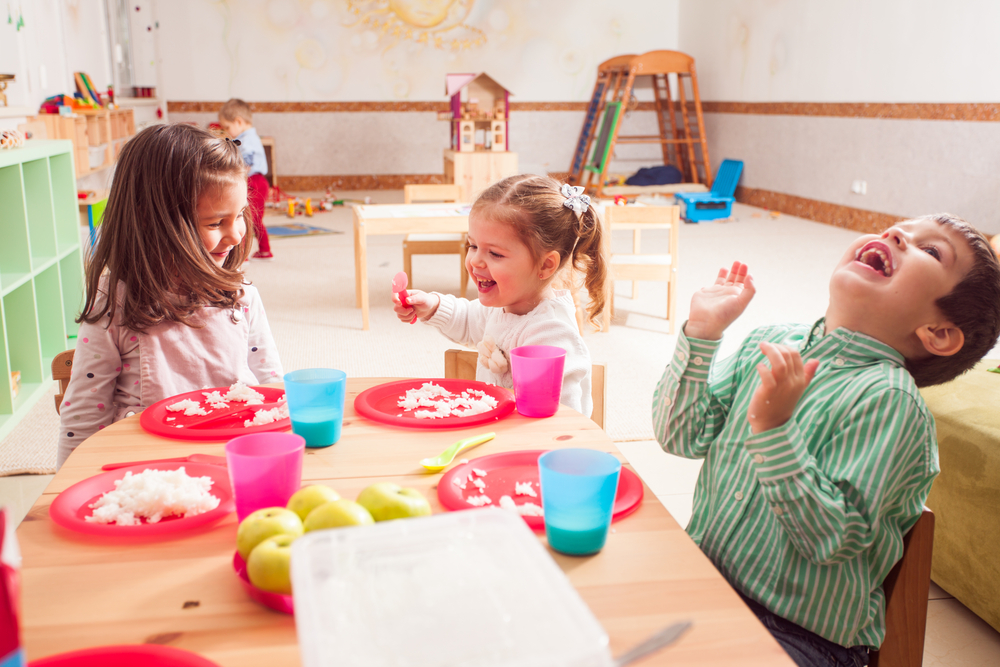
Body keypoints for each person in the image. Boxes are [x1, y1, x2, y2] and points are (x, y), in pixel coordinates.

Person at [652, 214, 1000, 667]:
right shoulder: (769, 341)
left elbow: (833, 539)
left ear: (937, 332)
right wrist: (702, 333)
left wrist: (775, 432)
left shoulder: (891, 403)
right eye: (900, 228)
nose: (895, 235)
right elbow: (681, 435)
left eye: (931, 251)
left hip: (800, 634)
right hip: (703, 582)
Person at [56, 124, 284, 469]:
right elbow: (85, 415)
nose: (237, 234)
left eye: (239, 215)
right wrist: (69, 481)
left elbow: (272, 388)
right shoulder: (114, 302)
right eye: (215, 223)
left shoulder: (242, 295)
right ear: (155, 224)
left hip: (234, 460)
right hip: (149, 470)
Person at [393, 175, 606, 417]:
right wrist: (432, 306)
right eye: (472, 246)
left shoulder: (551, 334)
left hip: (537, 446)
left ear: (545, 265)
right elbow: (468, 319)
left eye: (494, 253)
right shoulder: (506, 305)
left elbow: (561, 422)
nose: (474, 260)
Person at [218, 98, 273, 260]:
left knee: (246, 219)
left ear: (238, 121)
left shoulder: (245, 140)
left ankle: (241, 255)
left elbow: (246, 162)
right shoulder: (252, 137)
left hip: (253, 182)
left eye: (227, 127)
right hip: (258, 181)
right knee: (255, 220)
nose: (227, 132)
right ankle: (264, 250)